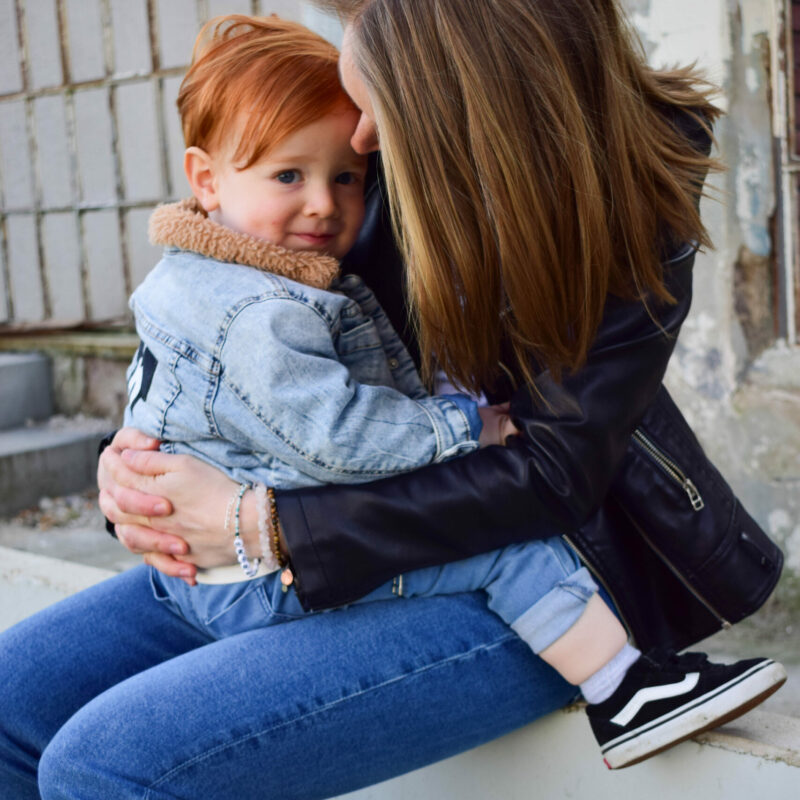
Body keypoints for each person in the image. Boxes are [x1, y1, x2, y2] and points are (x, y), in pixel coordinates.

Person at [0, 1, 785, 798]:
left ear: (452, 82)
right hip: (299, 544)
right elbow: (231, 344)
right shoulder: (358, 177)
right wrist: (134, 476)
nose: (361, 144)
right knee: (8, 703)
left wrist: (268, 526)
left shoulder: (627, 191)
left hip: (537, 574)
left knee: (106, 765)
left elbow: (551, 474)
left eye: (375, 104)